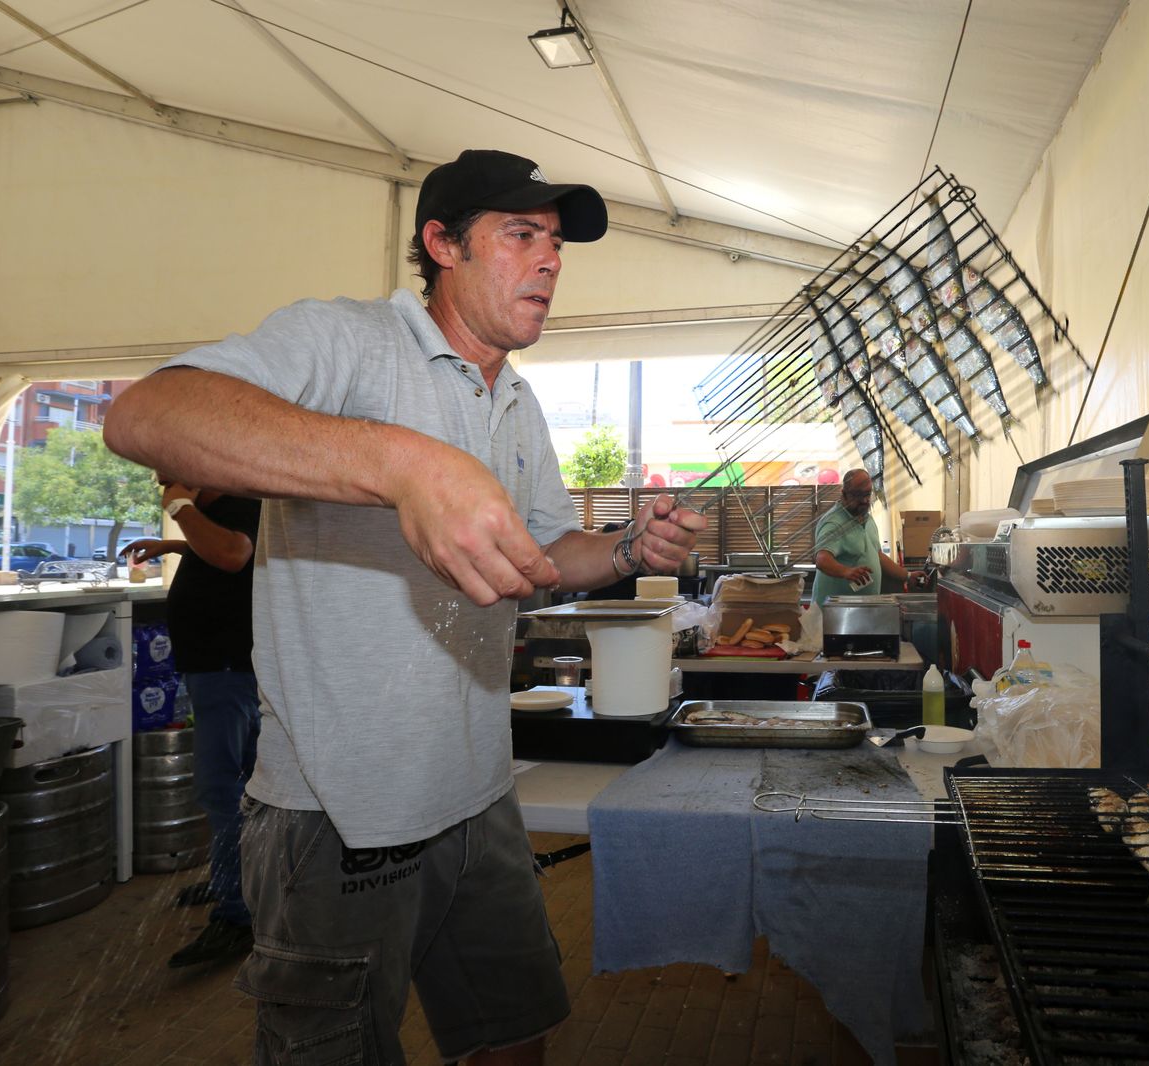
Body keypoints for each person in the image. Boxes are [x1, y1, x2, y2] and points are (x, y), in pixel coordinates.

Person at [103, 148, 705, 1065]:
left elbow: (542, 557)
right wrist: (404, 463)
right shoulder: (345, 342)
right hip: (337, 812)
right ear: (442, 245)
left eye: (554, 242)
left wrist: (628, 548)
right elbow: (148, 414)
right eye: (520, 235)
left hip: (478, 791)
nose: (549, 261)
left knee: (515, 1034)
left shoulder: (519, 401)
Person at [122, 479, 262, 968]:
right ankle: (239, 881)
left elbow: (234, 554)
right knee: (244, 789)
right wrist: (176, 544)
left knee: (221, 789)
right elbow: (231, 548)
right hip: (218, 668)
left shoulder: (240, 499)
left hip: (228, 669)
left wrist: (179, 509)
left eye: (172, 475)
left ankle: (237, 914)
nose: (165, 483)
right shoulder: (226, 510)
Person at [810, 468, 925, 606]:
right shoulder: (834, 523)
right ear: (844, 494)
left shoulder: (867, 519)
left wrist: (907, 576)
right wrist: (846, 572)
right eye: (858, 495)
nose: (864, 500)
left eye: (867, 494)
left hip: (860, 611)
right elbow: (822, 559)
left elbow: (878, 556)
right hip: (833, 614)